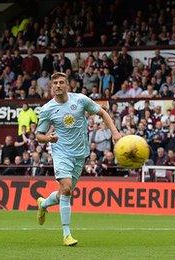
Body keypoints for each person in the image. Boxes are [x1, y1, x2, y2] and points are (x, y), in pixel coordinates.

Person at [35, 72, 121, 246]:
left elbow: (103, 112)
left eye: (61, 82)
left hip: (80, 153)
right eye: (55, 83)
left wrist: (115, 133)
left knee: (63, 193)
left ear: (67, 85)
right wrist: (49, 138)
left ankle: (44, 204)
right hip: (61, 153)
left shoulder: (80, 100)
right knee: (66, 189)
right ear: (52, 87)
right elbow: (39, 135)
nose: (58, 85)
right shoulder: (47, 109)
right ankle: (67, 234)